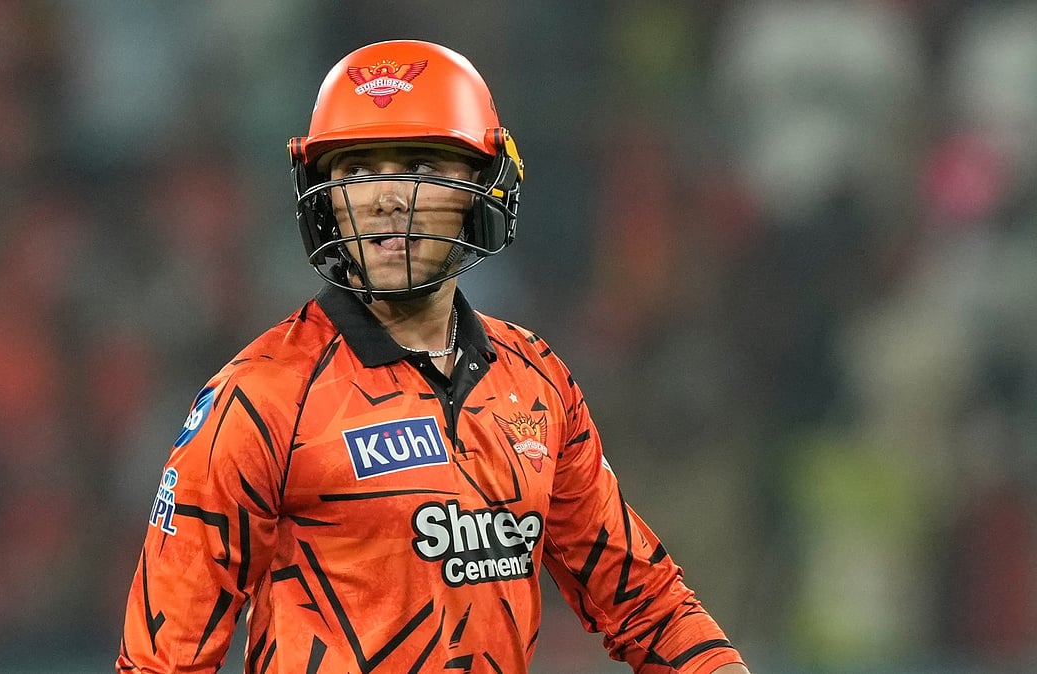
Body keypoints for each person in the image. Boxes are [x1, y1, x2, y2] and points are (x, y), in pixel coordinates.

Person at [117, 39, 751, 674]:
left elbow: (648, 606)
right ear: (326, 195)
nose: (388, 197)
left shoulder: (537, 381)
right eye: (358, 171)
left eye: (421, 165)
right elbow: (160, 664)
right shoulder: (260, 399)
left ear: (482, 185)